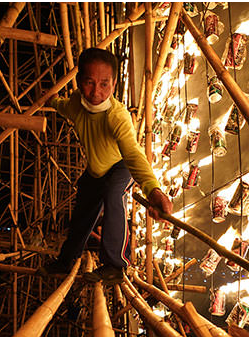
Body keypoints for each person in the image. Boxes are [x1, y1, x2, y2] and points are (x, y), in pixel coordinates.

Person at [39, 47, 172, 284]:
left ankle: (116, 265)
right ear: (79, 81)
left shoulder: (116, 116)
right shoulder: (75, 106)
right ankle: (64, 261)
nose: (96, 92)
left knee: (113, 195)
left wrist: (153, 189)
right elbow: (61, 105)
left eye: (104, 84)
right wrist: (50, 100)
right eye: (89, 82)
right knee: (82, 214)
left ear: (113, 85)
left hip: (121, 166)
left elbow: (132, 153)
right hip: (95, 170)